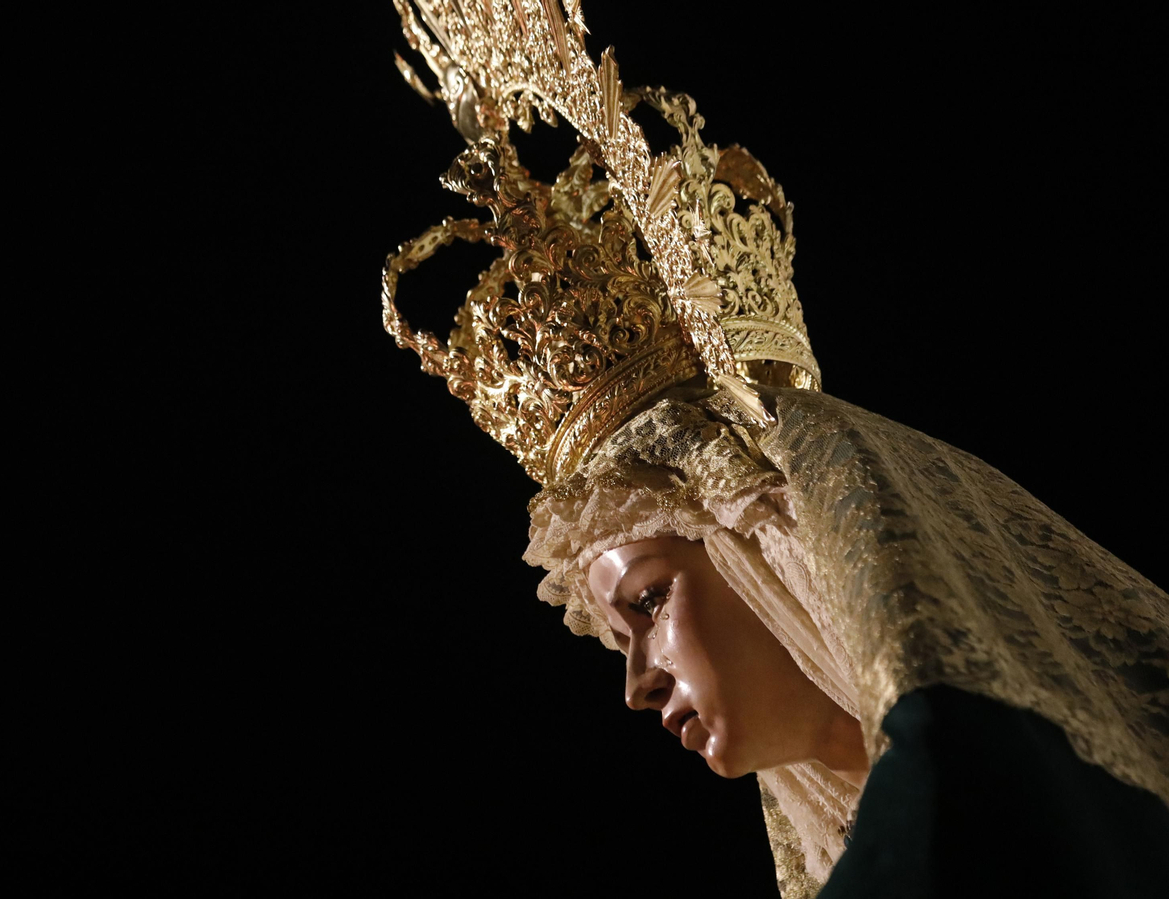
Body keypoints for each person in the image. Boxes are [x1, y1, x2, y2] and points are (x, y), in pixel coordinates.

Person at [380, 3, 1169, 896]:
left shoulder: (977, 816)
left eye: (649, 599)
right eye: (620, 636)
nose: (637, 682)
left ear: (786, 541)